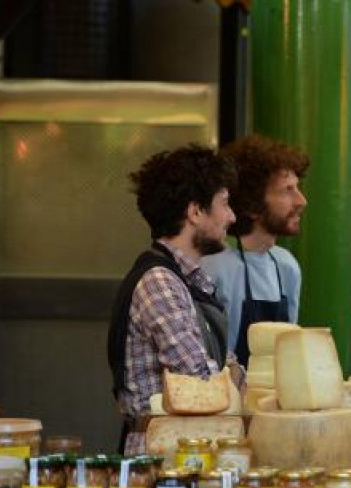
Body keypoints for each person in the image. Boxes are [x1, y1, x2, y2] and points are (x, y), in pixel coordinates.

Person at [107, 144, 243, 454]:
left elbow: (230, 366)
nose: (231, 217)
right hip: (162, 458)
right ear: (195, 212)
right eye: (224, 204)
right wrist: (228, 378)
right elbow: (204, 384)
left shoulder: (187, 281)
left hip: (187, 449)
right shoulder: (160, 283)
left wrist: (230, 375)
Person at [201, 134, 308, 366]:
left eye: (297, 188)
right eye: (286, 190)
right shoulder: (214, 268)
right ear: (251, 204)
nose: (301, 200)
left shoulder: (287, 266)